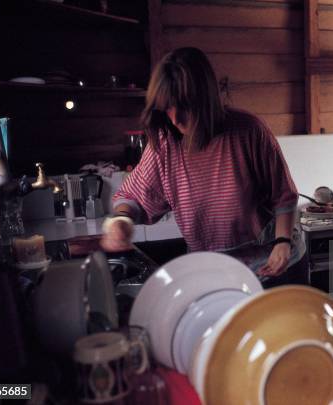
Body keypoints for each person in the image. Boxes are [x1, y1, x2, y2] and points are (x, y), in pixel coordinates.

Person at [101, 47, 307, 286]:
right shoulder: (165, 145)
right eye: (168, 107)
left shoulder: (248, 131)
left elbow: (283, 196)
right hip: (213, 273)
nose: (176, 119)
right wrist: (121, 221)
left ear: (205, 100)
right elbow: (131, 196)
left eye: (184, 106)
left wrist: (282, 243)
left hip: (274, 266)